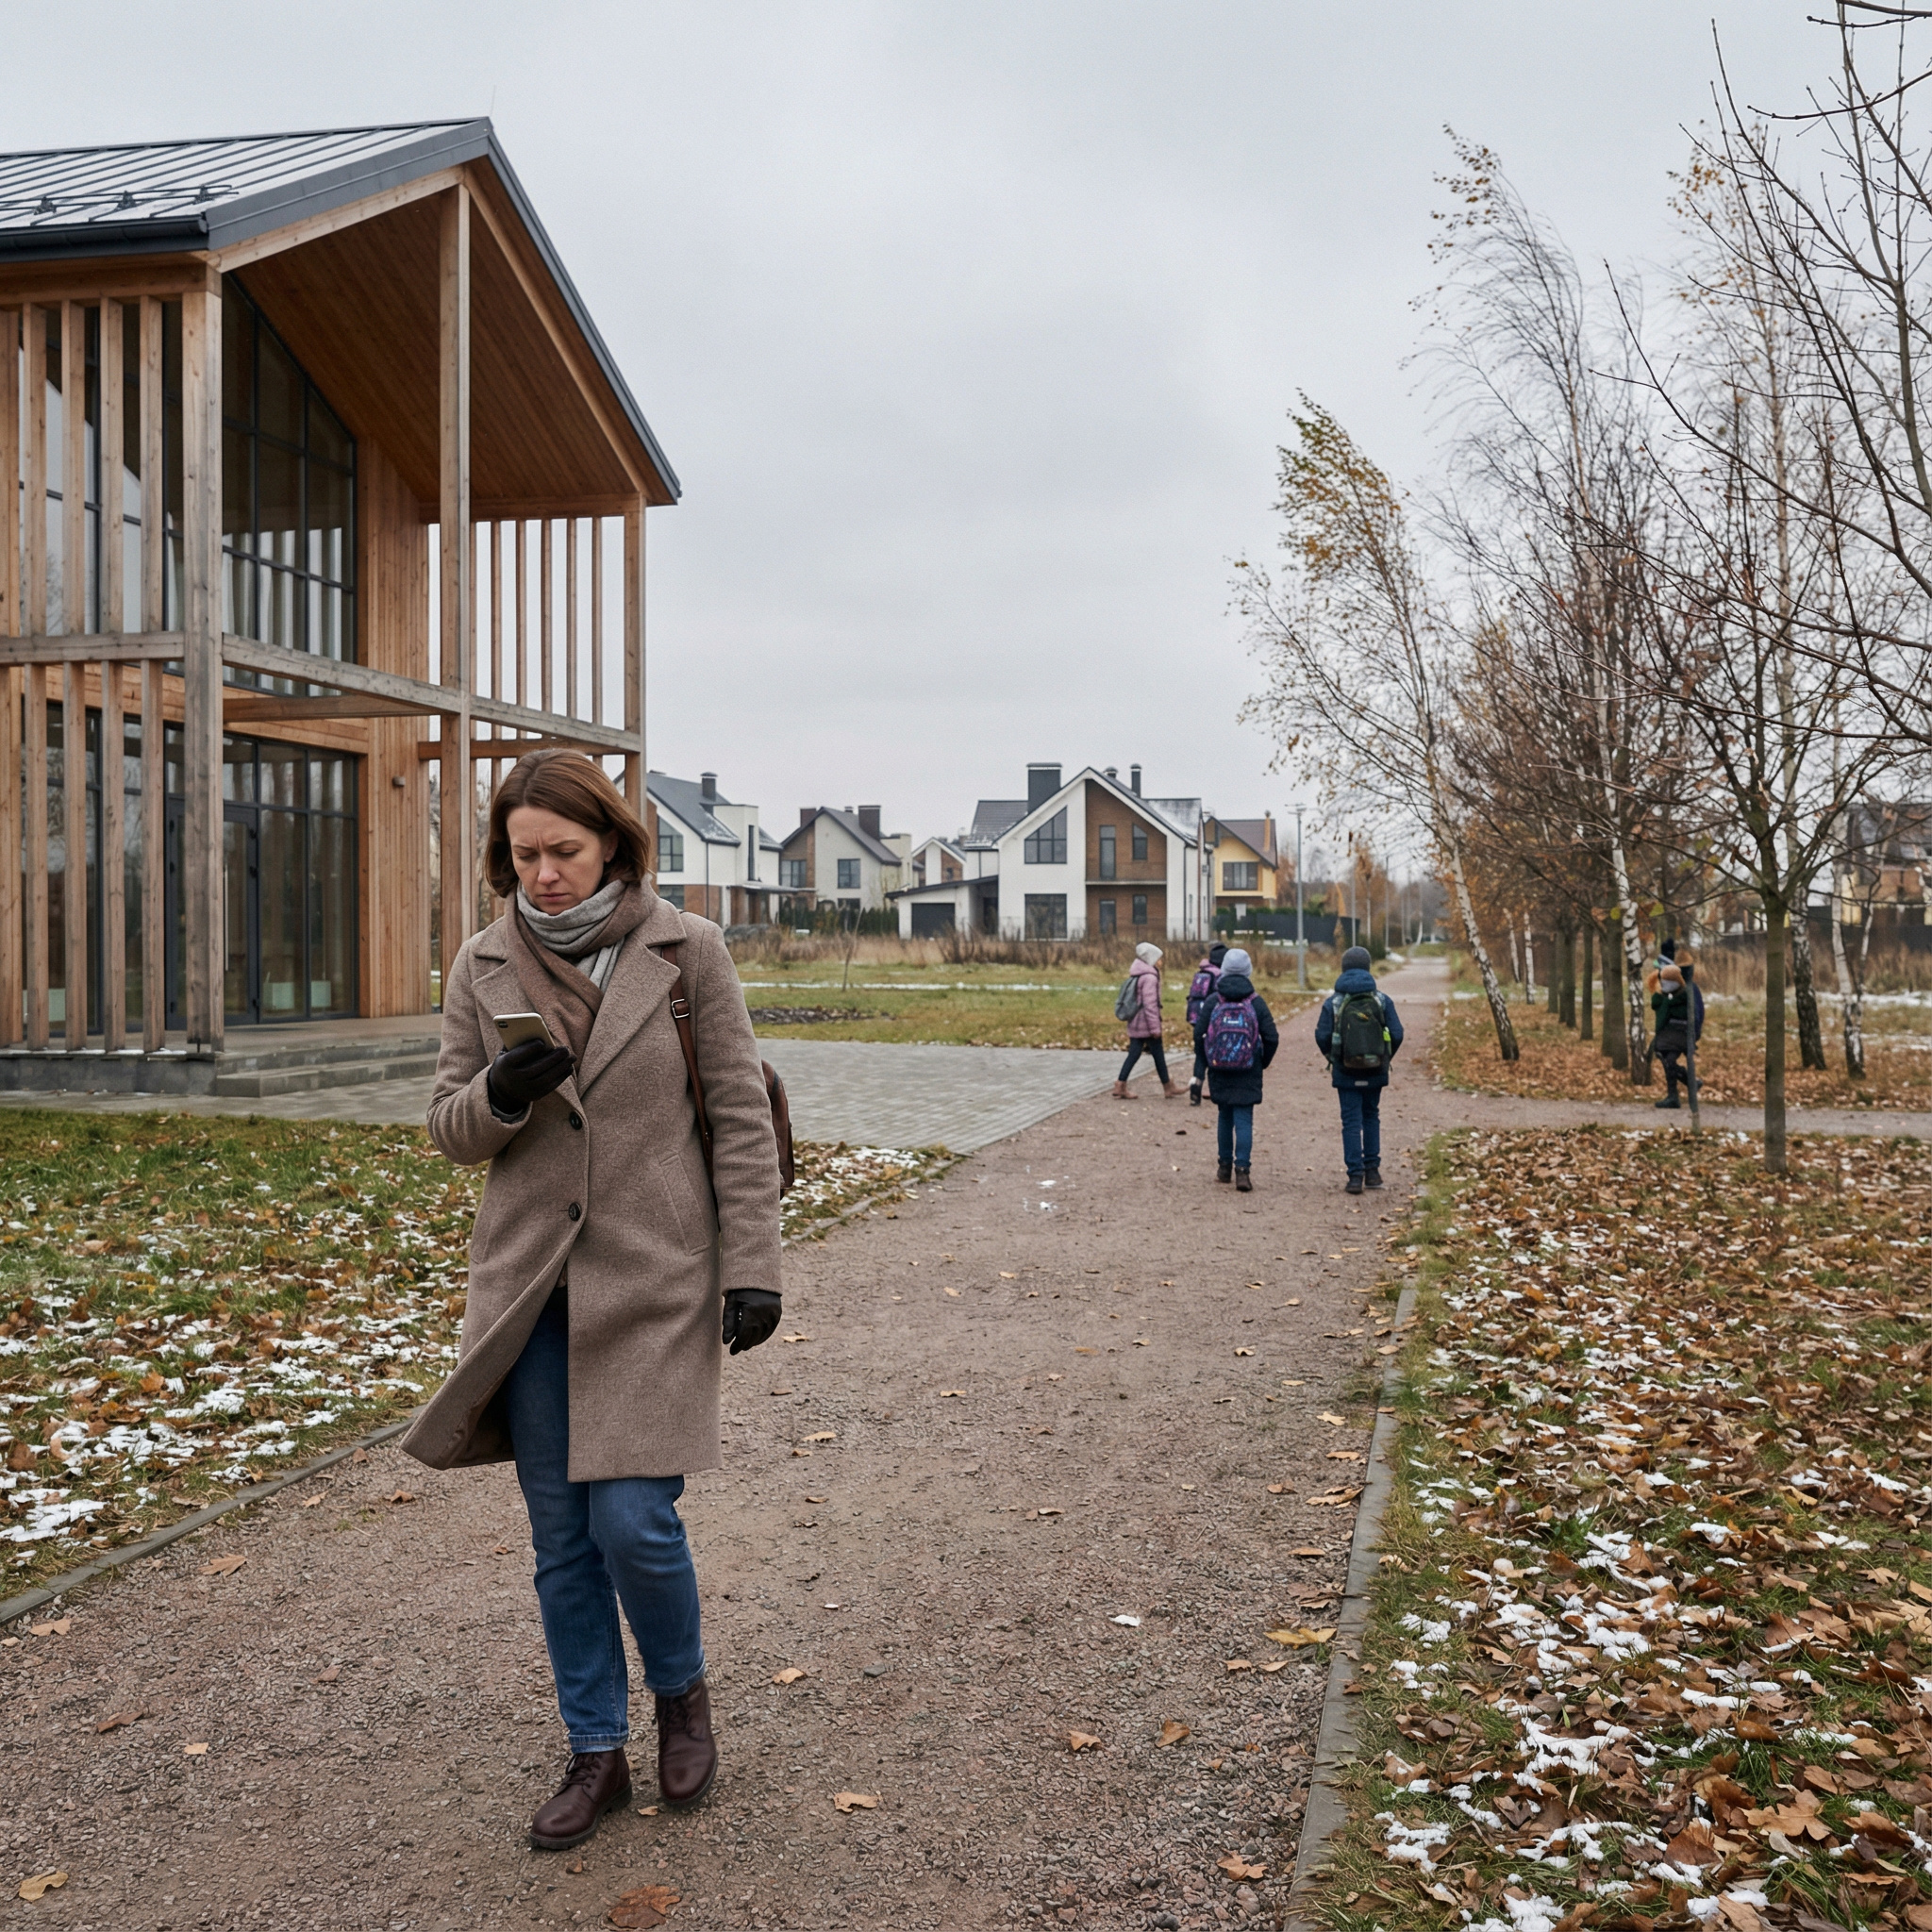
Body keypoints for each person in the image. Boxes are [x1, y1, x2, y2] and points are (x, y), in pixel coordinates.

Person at [402, 750, 784, 1850]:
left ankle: (683, 1698)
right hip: (530, 1289)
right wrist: (496, 1095)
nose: (545, 872)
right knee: (562, 1539)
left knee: (633, 1519)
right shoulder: (483, 961)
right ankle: (594, 1750)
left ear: (612, 841)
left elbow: (739, 1115)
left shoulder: (686, 950)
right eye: (524, 854)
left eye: (564, 850)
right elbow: (445, 1127)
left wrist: (752, 1263)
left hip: (655, 1276)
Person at [1314, 944, 1404, 1194]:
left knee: (1351, 1121)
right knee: (1371, 1115)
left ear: (1343, 968)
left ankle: (1355, 1177)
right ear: (1368, 968)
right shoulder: (1381, 999)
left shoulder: (1333, 1001)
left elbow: (1321, 1035)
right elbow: (1397, 1033)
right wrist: (1384, 1057)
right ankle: (1373, 1172)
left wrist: (1334, 1057)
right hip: (1375, 1069)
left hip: (1346, 1070)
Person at [1192, 946, 1279, 1191]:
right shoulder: (1256, 1002)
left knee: (1224, 1116)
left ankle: (1224, 1168)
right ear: (1248, 971)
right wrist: (1262, 1062)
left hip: (1219, 1068)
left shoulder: (1213, 1000)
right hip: (1248, 1068)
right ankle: (1243, 1171)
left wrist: (1207, 1061)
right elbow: (1271, 1037)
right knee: (1244, 1119)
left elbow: (1198, 1034)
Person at [1113, 941, 1182, 1097]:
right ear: (1150, 959)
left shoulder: (1139, 974)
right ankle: (1166, 1087)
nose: (1161, 961)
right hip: (1146, 1024)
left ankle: (1121, 1084)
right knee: (1150, 1054)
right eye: (1158, 958)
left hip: (1137, 1022)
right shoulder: (1150, 978)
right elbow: (1150, 1005)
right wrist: (1155, 1028)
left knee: (1144, 1053)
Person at [1650, 958, 1704, 1108]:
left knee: (1669, 1060)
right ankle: (1685, 1087)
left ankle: (1676, 1093)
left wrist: (1694, 1034)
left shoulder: (1688, 991)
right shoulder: (1665, 996)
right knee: (1667, 1059)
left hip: (1680, 1034)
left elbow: (1696, 1014)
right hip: (1669, 1035)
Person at [1185, 941, 1229, 1106]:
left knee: (1200, 1054)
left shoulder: (1201, 973)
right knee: (1214, 1053)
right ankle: (1214, 1089)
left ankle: (1196, 1085)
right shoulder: (1219, 975)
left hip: (1196, 1018)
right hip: (1211, 1019)